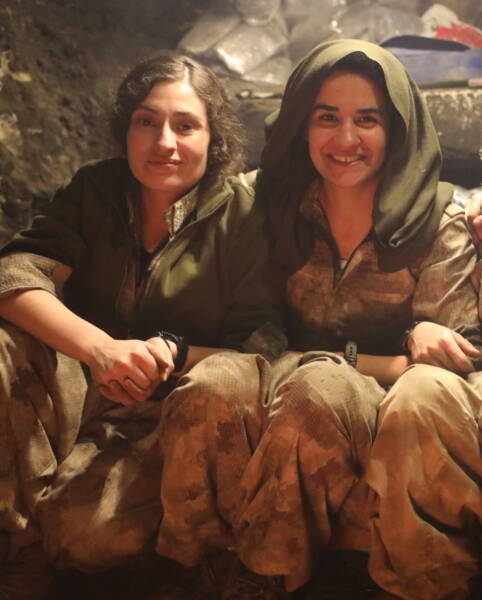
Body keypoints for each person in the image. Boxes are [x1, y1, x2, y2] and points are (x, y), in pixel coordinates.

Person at [154, 39, 482, 600]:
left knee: (324, 387)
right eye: (327, 117)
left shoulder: (437, 221)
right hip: (286, 390)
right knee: (216, 384)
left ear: (396, 129)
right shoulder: (268, 203)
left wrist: (353, 360)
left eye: (367, 120)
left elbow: (444, 371)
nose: (346, 139)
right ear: (301, 126)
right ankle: (202, 570)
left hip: (388, 417)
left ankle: (288, 574)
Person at [0, 52, 285, 598]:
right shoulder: (98, 189)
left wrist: (169, 354)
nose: (164, 142)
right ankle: (19, 556)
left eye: (186, 125)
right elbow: (16, 272)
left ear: (214, 139)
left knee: (84, 540)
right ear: (125, 129)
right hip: (84, 384)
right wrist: (99, 349)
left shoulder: (243, 214)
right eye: (147, 122)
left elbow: (264, 344)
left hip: (169, 409)